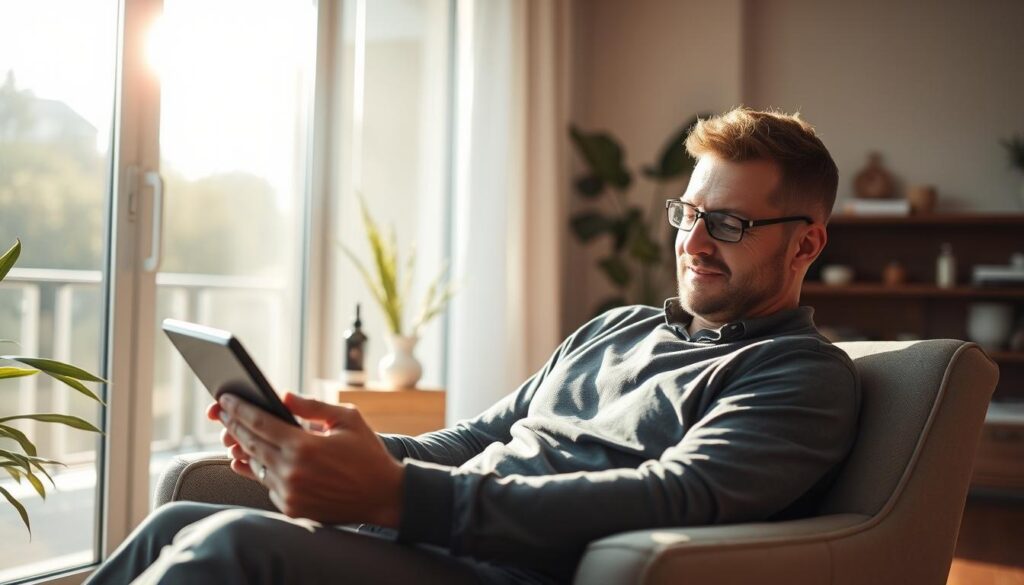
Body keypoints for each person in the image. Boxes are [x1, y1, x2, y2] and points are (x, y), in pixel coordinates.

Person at [86, 107, 859, 584]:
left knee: (232, 545)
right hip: (423, 542)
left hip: (510, 570)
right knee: (174, 522)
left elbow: (674, 494)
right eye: (688, 213)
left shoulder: (797, 373)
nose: (694, 241)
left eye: (727, 223)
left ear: (805, 244)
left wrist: (394, 493)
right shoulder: (614, 327)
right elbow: (483, 437)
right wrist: (325, 447)